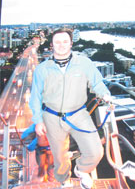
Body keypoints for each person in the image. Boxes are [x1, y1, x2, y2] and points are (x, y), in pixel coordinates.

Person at [29, 28, 112, 189]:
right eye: (57, 42)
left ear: (71, 43)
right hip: (52, 116)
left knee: (96, 151)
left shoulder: (84, 63)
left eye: (65, 41)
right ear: (51, 45)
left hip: (79, 114)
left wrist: (105, 94)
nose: (61, 45)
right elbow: (35, 97)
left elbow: (96, 83)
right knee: (59, 156)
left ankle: (82, 170)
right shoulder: (42, 69)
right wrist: (38, 120)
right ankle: (63, 180)